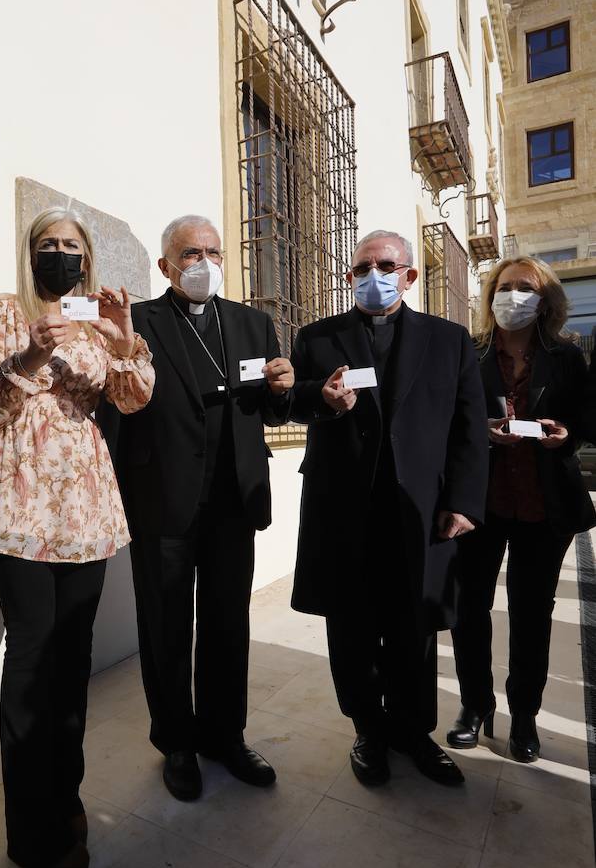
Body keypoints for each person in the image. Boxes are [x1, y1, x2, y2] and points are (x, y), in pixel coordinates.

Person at [0, 207, 154, 868]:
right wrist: (33, 353)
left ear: (87, 256)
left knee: (71, 662)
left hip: (85, 510)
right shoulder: (4, 308)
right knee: (33, 661)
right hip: (19, 506)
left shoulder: (95, 316)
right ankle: (30, 830)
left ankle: (64, 796)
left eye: (71, 245)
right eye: (47, 244)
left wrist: (126, 339)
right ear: (30, 252)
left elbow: (134, 400)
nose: (59, 254)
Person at [289, 229, 488, 789]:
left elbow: (470, 429)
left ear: (409, 275)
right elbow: (291, 403)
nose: (371, 276)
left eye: (384, 265)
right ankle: (367, 731)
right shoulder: (318, 337)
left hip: (417, 511)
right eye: (361, 268)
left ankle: (413, 730)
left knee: (413, 628)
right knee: (350, 627)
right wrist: (319, 400)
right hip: (344, 513)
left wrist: (464, 502)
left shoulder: (449, 341)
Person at [108, 215, 295, 802]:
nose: (204, 263)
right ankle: (177, 743)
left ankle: (225, 736)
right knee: (164, 627)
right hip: (162, 501)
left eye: (214, 252)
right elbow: (118, 412)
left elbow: (272, 414)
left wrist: (283, 390)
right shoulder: (137, 322)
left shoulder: (253, 323)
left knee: (226, 624)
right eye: (191, 254)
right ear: (166, 265)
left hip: (232, 503)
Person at [447, 256, 595, 762]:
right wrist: (480, 430)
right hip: (480, 504)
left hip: (543, 505)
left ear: (545, 300)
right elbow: (449, 420)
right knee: (469, 609)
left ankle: (525, 715)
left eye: (525, 289)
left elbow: (584, 420)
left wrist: (566, 435)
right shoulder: (469, 353)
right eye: (505, 288)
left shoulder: (567, 358)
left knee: (533, 614)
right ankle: (474, 706)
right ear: (490, 297)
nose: (514, 297)